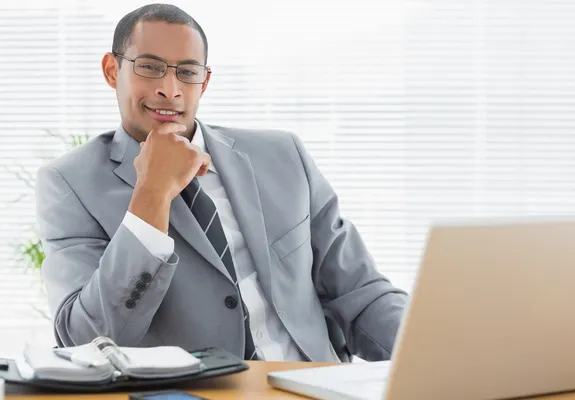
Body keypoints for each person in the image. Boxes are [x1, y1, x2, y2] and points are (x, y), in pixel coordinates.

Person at [36, 3, 408, 363]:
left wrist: (441, 352)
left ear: (205, 80)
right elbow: (86, 340)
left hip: (315, 384)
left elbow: (360, 293)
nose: (170, 89)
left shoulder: (283, 155)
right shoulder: (69, 184)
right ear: (112, 71)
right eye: (150, 67)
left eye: (187, 71)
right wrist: (152, 193)